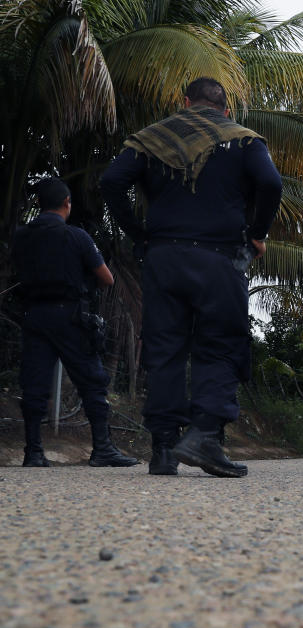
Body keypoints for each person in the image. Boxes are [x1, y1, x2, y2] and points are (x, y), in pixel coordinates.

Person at [100, 77, 282, 478]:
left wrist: (141, 235)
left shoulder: (151, 138)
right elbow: (270, 183)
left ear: (185, 102)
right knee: (219, 345)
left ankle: (163, 448)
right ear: (226, 109)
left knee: (164, 349)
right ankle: (205, 436)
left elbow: (111, 182)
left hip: (163, 258)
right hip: (218, 259)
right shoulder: (244, 139)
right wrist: (257, 233)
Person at [13, 178, 139, 468]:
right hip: (70, 317)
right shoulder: (77, 236)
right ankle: (103, 449)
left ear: (39, 204)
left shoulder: (21, 236)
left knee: (33, 385)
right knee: (93, 383)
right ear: (67, 203)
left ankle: (33, 452)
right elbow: (106, 278)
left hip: (34, 317)